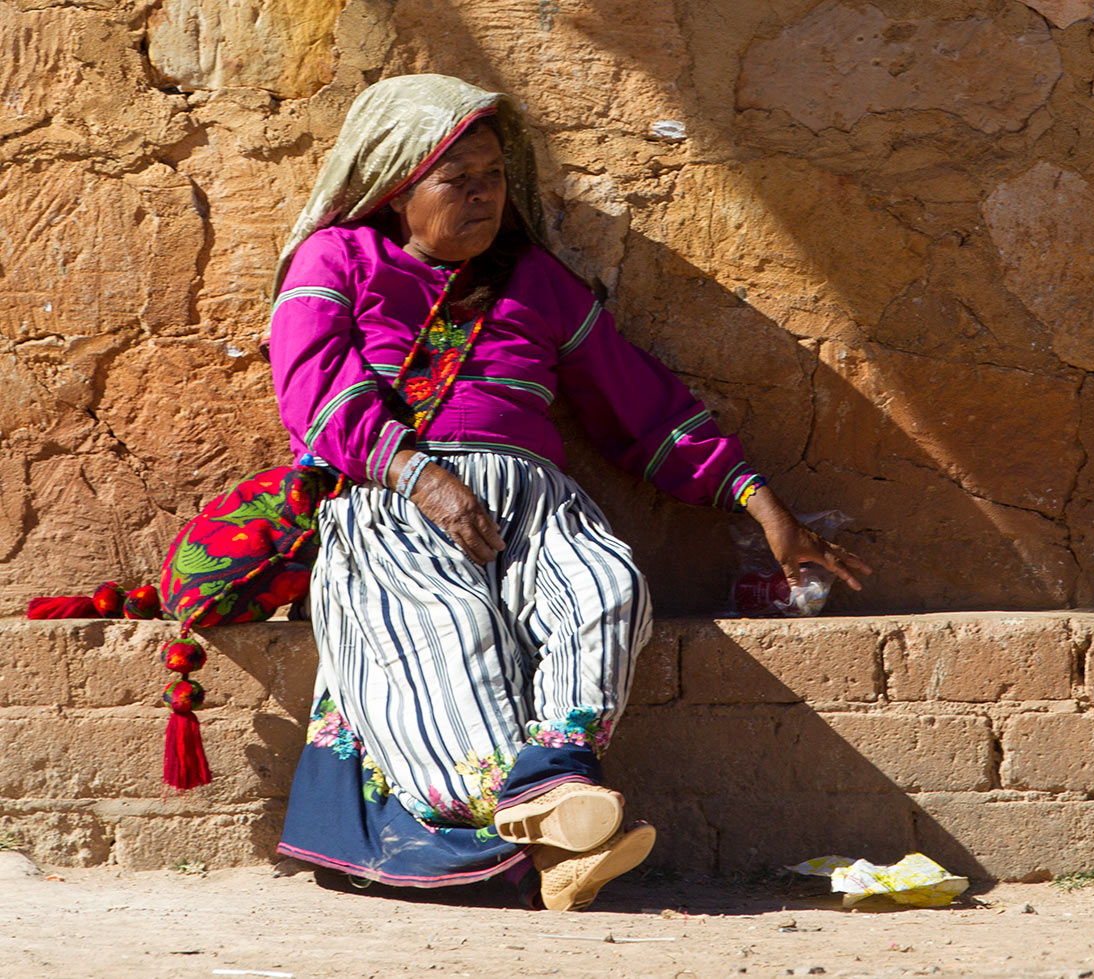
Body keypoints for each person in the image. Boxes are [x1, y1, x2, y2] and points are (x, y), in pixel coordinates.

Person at [267, 74, 870, 911]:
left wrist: (762, 505)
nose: (484, 196)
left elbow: (640, 405)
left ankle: (552, 788)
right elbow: (313, 390)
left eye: (494, 176)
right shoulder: (336, 260)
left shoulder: (535, 281)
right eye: (458, 179)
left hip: (537, 504)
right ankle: (549, 835)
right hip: (394, 500)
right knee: (453, 633)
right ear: (396, 186)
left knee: (606, 586)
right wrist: (420, 476)